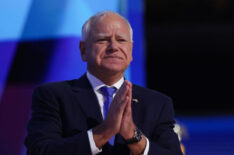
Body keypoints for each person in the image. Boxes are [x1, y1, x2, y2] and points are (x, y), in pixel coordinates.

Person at [25, 11, 183, 155]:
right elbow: (39, 151)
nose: (114, 47)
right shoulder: (53, 96)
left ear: (131, 50)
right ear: (83, 50)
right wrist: (104, 131)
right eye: (103, 40)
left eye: (121, 40)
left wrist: (134, 136)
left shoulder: (157, 103)